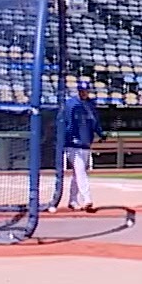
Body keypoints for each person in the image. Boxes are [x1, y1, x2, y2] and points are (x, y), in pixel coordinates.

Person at [59, 80, 104, 212]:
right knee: (80, 172)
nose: (84, 93)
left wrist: (100, 133)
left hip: (85, 143)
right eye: (82, 91)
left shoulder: (90, 104)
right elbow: (67, 123)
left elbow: (95, 122)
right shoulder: (71, 104)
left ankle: (72, 200)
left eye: (86, 91)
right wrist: (69, 138)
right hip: (73, 144)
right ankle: (87, 199)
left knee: (77, 174)